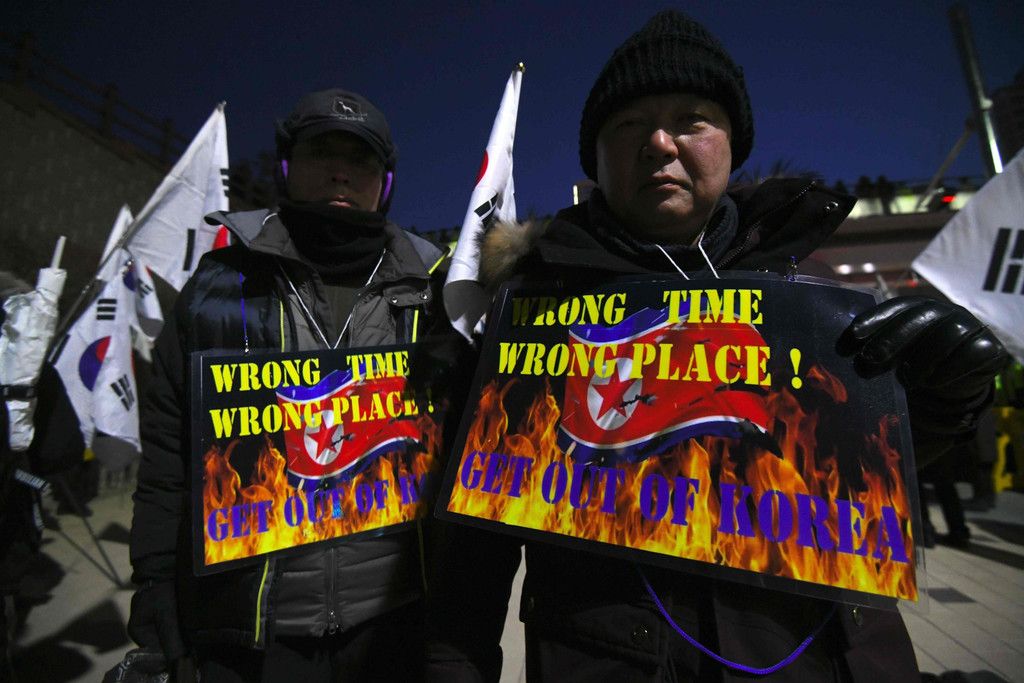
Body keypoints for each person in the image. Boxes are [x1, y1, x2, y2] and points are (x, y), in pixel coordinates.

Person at [424, 11, 1009, 682]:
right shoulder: (531, 318)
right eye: (630, 124)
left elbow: (866, 473)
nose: (659, 142)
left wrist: (942, 401)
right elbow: (468, 572)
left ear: (733, 143)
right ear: (596, 159)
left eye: (692, 119)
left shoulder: (811, 291)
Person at [125, 89, 448, 682]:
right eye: (322, 152)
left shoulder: (436, 296)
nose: (341, 171)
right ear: (286, 165)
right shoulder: (218, 286)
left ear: (386, 181)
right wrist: (153, 587)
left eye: (361, 159)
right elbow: (168, 456)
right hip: (253, 637)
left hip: (396, 625)